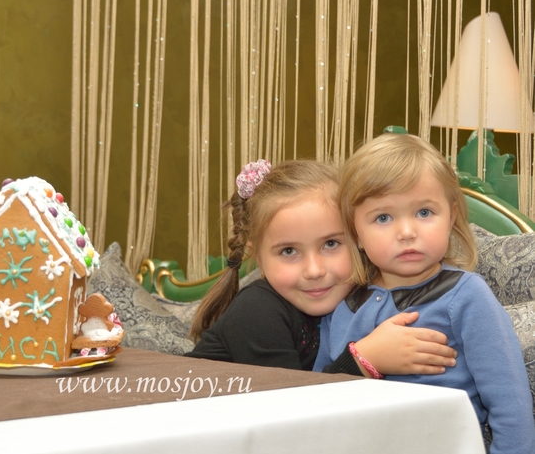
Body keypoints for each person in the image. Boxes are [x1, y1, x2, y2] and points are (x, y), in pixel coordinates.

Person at [313, 133, 535, 454]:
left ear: (451, 217)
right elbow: (314, 399)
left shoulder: (467, 296)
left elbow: (512, 409)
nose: (407, 231)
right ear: (355, 234)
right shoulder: (344, 304)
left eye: (424, 212)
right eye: (383, 218)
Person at [187, 158, 456, 376]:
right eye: (289, 251)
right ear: (258, 257)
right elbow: (293, 410)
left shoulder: (365, 296)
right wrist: (365, 360)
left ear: (359, 238)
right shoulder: (257, 310)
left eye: (330, 244)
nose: (314, 270)